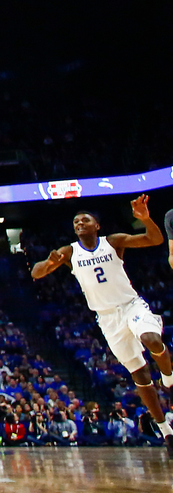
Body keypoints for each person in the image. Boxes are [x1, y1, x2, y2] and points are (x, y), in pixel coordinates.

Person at [32, 194, 173, 454]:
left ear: (97, 225)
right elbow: (36, 273)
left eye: (85, 220)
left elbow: (155, 239)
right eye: (76, 221)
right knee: (139, 374)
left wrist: (145, 219)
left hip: (130, 305)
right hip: (107, 318)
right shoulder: (69, 252)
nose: (79, 223)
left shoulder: (113, 242)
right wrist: (49, 264)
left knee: (152, 339)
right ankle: (165, 430)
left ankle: (168, 376)